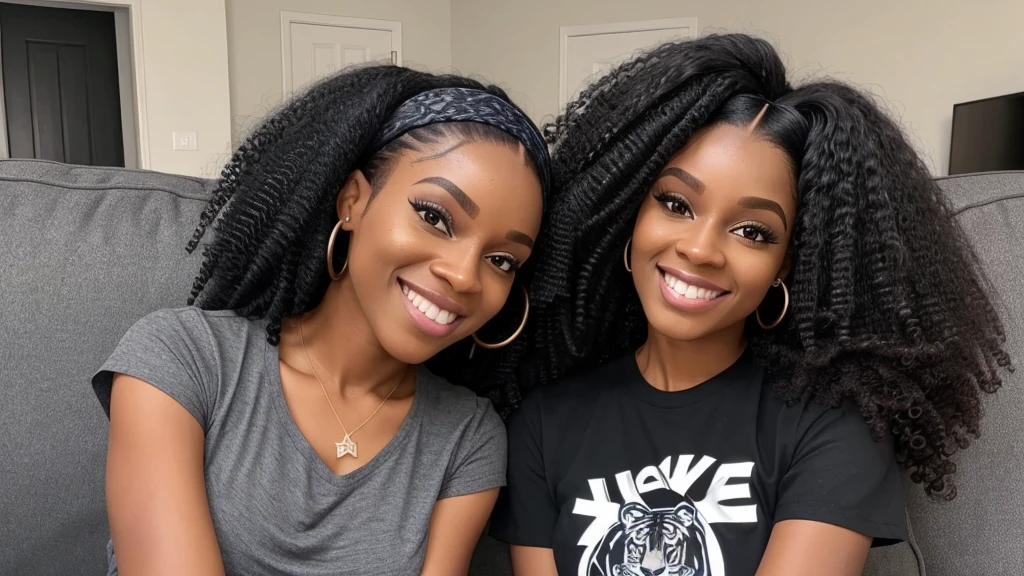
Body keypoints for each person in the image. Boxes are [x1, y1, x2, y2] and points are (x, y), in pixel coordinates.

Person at [488, 33, 1012, 576]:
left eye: (753, 231)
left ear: (787, 264)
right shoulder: (543, 425)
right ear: (629, 213)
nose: (699, 249)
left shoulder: (828, 429)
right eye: (675, 203)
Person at [91, 65, 551, 576]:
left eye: (502, 260)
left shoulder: (468, 438)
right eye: (435, 217)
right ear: (352, 200)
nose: (465, 276)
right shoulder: (183, 360)